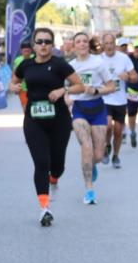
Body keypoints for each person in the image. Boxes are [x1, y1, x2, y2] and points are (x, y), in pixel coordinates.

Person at [9, 28, 85, 225]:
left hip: (59, 120)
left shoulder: (59, 64)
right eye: (40, 41)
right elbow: (14, 81)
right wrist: (13, 87)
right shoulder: (26, 65)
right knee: (41, 163)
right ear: (33, 45)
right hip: (34, 119)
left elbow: (80, 86)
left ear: (52, 45)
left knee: (57, 165)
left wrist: (63, 89)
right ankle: (44, 208)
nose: (43, 45)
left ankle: (54, 178)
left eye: (47, 42)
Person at [68, 32, 117, 204]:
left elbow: (112, 86)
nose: (81, 44)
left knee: (97, 154)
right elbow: (65, 89)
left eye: (84, 41)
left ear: (88, 45)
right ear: (73, 46)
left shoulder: (98, 63)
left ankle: (93, 164)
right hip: (80, 109)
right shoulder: (70, 66)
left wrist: (95, 90)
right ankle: (89, 189)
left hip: (97, 109)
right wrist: (67, 98)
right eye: (78, 41)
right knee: (86, 147)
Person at [99, 32, 136, 168]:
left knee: (119, 131)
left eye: (111, 43)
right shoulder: (98, 60)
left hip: (120, 100)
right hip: (104, 99)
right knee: (108, 125)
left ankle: (116, 156)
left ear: (115, 44)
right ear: (103, 45)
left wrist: (128, 76)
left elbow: (135, 77)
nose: (109, 46)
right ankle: (107, 144)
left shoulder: (124, 58)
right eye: (106, 43)